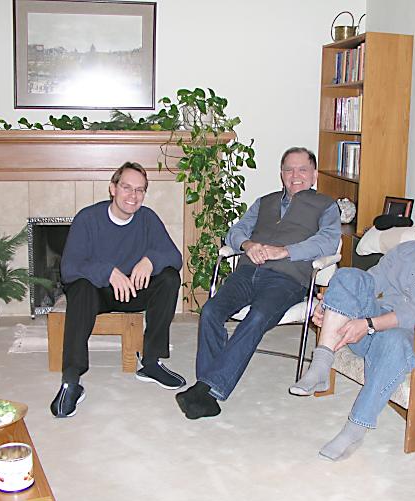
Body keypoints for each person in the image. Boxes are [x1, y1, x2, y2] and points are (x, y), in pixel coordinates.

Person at [289, 187, 415, 460]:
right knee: (348, 275)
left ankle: (355, 429)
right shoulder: (405, 251)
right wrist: (329, 306)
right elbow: (370, 282)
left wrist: (368, 324)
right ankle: (320, 365)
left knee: (394, 338)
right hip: (375, 326)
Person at [175, 147, 341, 420]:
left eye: (302, 170)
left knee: (258, 316)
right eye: (288, 169)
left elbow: (328, 241)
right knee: (211, 311)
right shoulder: (265, 202)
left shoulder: (326, 205)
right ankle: (207, 392)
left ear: (314, 175)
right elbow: (236, 231)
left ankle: (205, 388)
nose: (295, 175)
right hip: (247, 272)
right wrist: (248, 245)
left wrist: (284, 251)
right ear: (281, 174)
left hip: (287, 278)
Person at [50, 161, 184, 418]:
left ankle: (151, 362)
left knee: (169, 278)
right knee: (80, 287)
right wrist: (109, 272)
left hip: (133, 290)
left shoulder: (148, 218)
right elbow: (69, 268)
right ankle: (72, 380)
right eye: (126, 187)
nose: (133, 195)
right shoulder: (88, 218)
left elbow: (174, 257)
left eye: (140, 190)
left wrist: (150, 261)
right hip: (98, 293)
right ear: (113, 188)